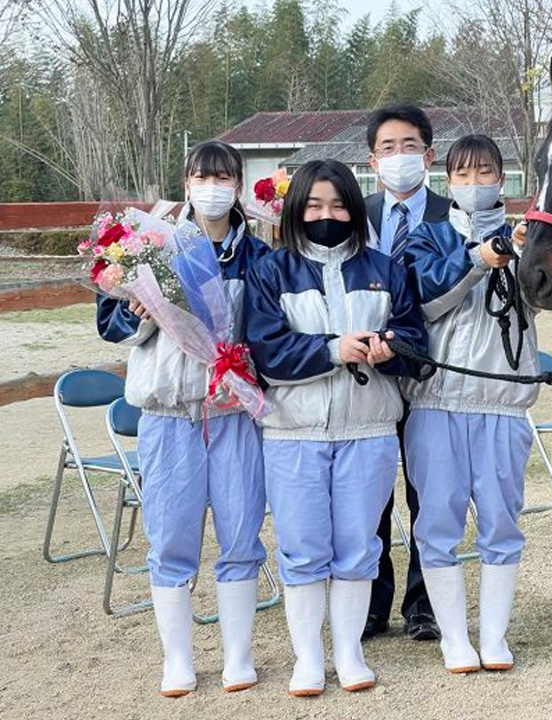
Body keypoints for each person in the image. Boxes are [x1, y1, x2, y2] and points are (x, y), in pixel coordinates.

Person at [243, 159, 428, 696]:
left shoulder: (386, 269)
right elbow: (266, 349)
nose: (327, 214)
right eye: (315, 205)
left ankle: (348, 652)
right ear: (297, 208)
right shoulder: (270, 271)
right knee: (302, 545)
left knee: (356, 544)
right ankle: (308, 658)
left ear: (354, 206)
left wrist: (389, 349)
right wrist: (332, 349)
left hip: (367, 430)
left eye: (339, 204)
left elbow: (415, 341)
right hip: (293, 432)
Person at [96, 140, 271, 697]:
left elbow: (269, 334)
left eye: (223, 177)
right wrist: (136, 307)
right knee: (171, 536)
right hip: (169, 413)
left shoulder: (259, 254)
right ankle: (177, 659)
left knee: (242, 530)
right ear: (186, 181)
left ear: (239, 186)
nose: (212, 187)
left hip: (233, 415)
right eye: (202, 176)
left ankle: (238, 656)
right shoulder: (151, 245)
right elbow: (109, 325)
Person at [402, 134, 538, 673]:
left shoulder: (527, 236)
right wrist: (481, 258)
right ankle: (454, 638)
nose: (475, 183)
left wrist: (524, 250)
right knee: (437, 519)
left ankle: (495, 635)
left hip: (502, 403)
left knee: (502, 520)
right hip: (436, 402)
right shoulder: (424, 237)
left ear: (502, 181)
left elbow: (548, 291)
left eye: (485, 173)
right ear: (447, 181)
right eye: (463, 174)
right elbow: (425, 299)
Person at [362, 104, 451, 641]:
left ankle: (423, 604)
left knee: (428, 492)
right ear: (373, 161)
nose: (401, 157)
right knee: (370, 492)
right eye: (389, 148)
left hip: (429, 372)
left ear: (430, 154)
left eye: (410, 146)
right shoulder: (353, 214)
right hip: (368, 375)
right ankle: (371, 600)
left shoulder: (451, 214)